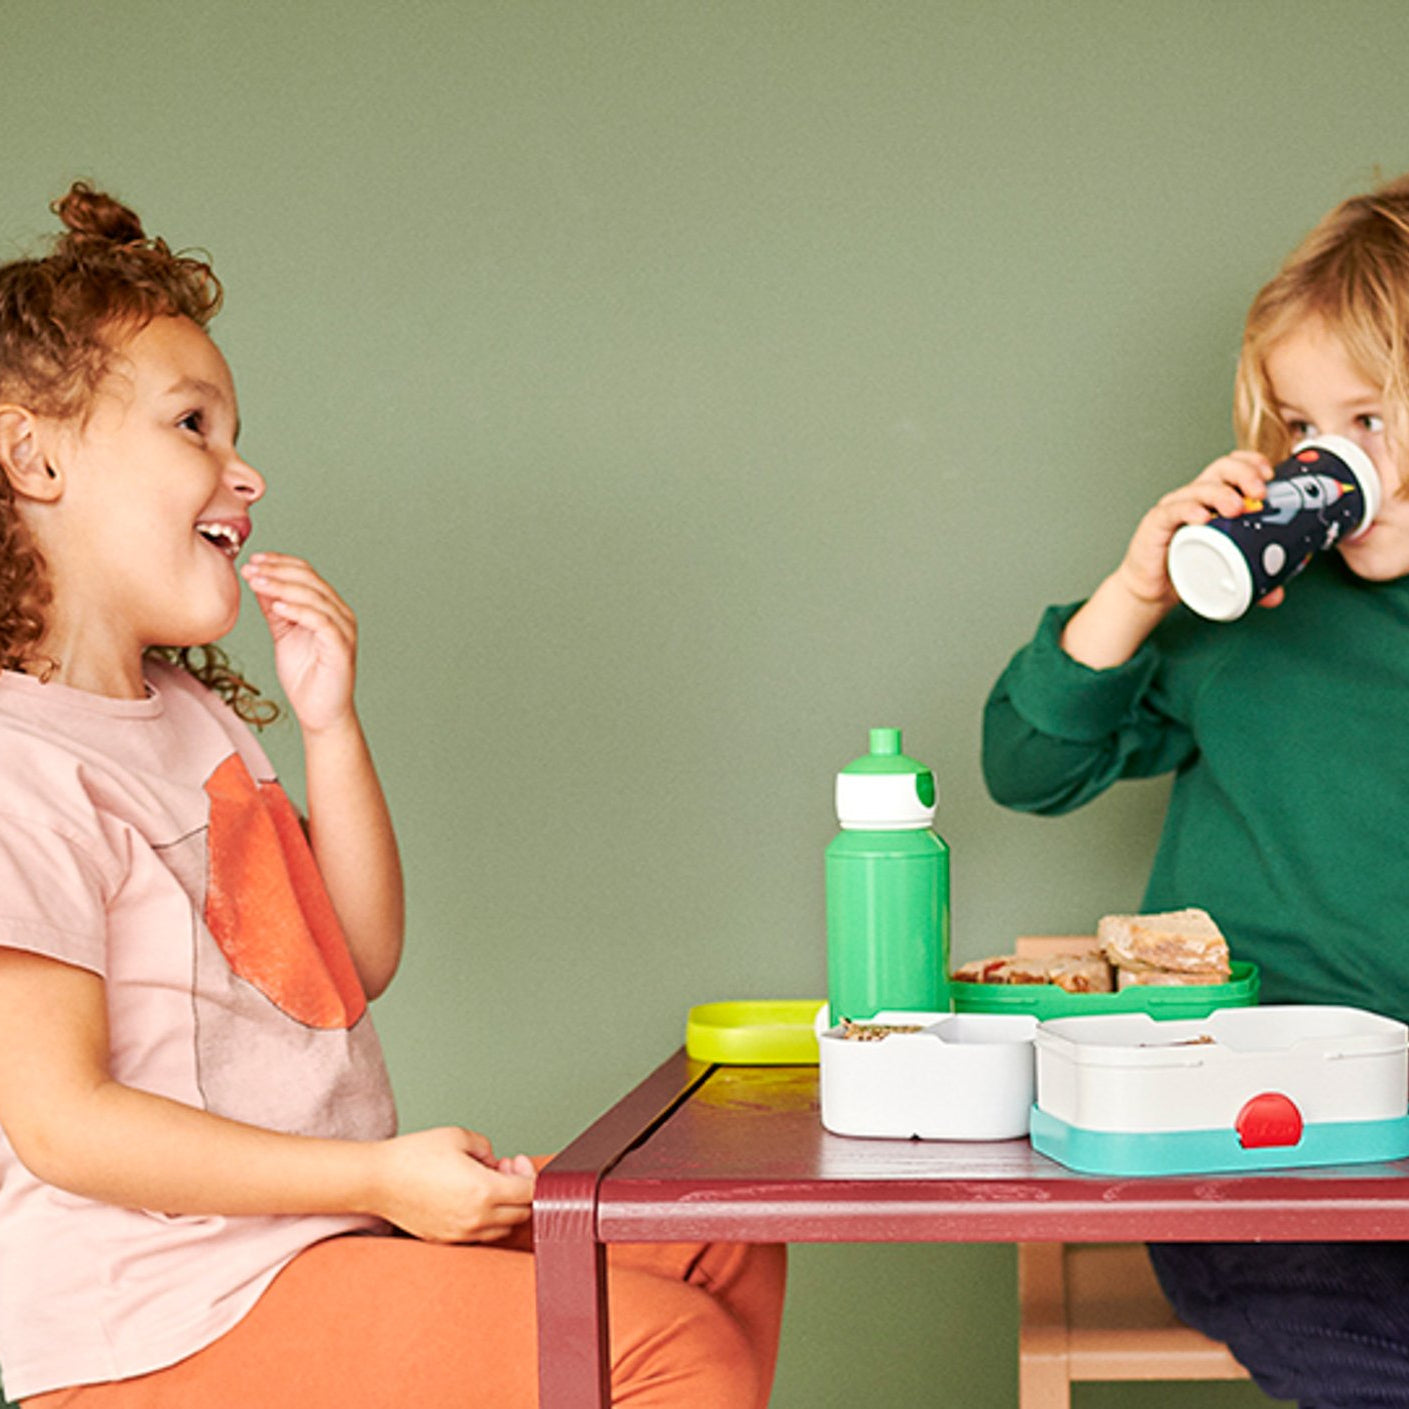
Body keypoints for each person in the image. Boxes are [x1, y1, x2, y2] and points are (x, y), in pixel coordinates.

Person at [0, 183, 785, 1409]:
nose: (244, 470)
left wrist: (329, 725)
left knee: (705, 1233)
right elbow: (63, 1123)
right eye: (192, 424)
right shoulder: (20, 766)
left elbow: (350, 959)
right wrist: (374, 1178)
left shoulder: (190, 716)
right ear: (33, 456)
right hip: (156, 1311)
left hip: (308, 1248)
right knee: (663, 1349)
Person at [982, 171, 1409, 1407]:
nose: (1330, 454)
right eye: (1298, 421)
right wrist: (1136, 589)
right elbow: (1027, 765)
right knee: (1361, 1354)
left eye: (1368, 417)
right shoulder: (1248, 619)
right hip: (1261, 1151)